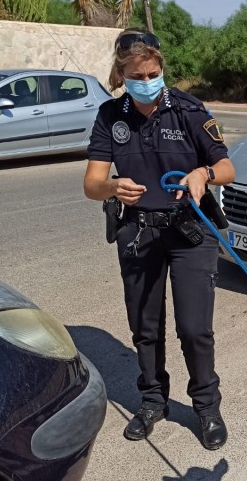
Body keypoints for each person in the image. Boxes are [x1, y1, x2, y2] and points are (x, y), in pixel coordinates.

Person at [83, 28, 236, 449]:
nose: (147, 79)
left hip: (190, 230)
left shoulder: (188, 109)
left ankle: (206, 406)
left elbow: (227, 168)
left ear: (161, 67)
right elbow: (92, 183)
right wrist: (113, 188)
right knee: (145, 329)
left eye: (154, 71)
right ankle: (152, 400)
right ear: (121, 75)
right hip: (138, 232)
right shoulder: (109, 117)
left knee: (194, 328)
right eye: (137, 74)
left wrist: (203, 174)